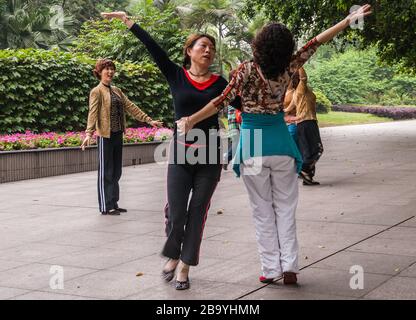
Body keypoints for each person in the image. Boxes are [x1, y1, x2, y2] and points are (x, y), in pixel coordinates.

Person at [177, 5, 372, 285]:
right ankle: (290, 266)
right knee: (285, 208)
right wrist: (346, 21)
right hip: (281, 143)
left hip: (254, 145)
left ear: (259, 45)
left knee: (262, 211)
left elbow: (219, 102)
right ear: (285, 48)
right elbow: (316, 41)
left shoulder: (243, 71)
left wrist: (191, 120)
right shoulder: (288, 67)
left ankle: (270, 269)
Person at [100, 11, 240, 290]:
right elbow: (153, 48)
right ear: (189, 51)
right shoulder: (176, 75)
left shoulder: (221, 84)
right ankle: (174, 252)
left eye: (211, 48)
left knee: (198, 212)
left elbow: (243, 105)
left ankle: (184, 267)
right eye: (203, 46)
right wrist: (129, 22)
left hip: (210, 153)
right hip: (180, 152)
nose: (208, 50)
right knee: (177, 214)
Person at [81, 58, 162, 215]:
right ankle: (105, 206)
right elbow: (92, 112)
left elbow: (131, 106)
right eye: (106, 69)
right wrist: (89, 133)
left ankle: (114, 202)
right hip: (105, 136)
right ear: (99, 72)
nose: (110, 71)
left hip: (117, 134)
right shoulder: (96, 91)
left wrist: (148, 120)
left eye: (112, 68)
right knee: (106, 172)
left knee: (117, 171)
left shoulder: (117, 90)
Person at [287, 67, 323, 185]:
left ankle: (308, 178)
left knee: (307, 152)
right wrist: (299, 64)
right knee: (318, 150)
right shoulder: (301, 89)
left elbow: (287, 109)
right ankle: (303, 169)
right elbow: (304, 77)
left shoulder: (298, 93)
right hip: (308, 122)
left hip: (302, 124)